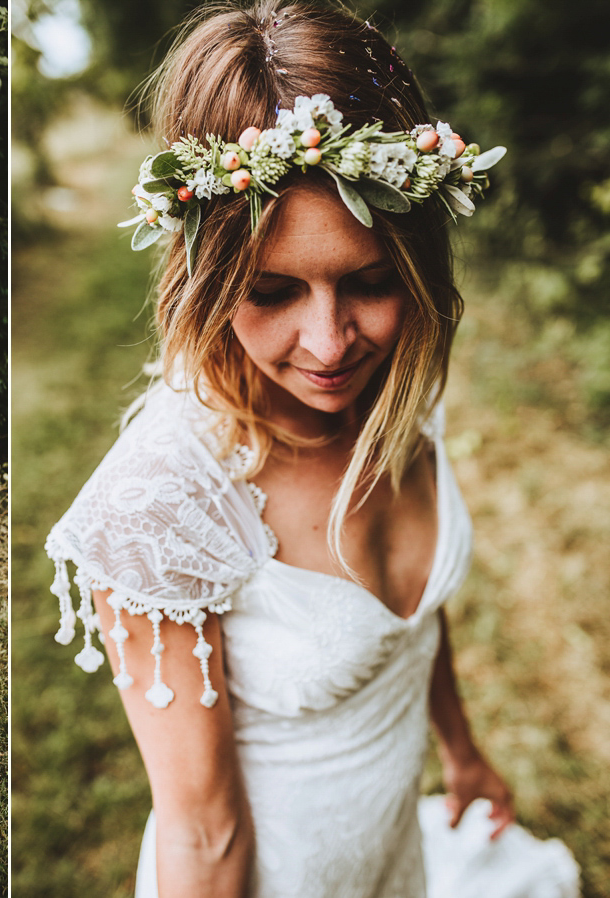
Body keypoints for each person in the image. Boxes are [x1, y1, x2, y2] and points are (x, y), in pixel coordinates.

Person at [44, 3, 579, 895]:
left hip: (393, 861)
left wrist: (463, 750)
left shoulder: (393, 389)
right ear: (204, 278)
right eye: (273, 291)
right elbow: (204, 837)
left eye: (371, 282)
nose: (331, 346)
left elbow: (411, 631)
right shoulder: (163, 500)